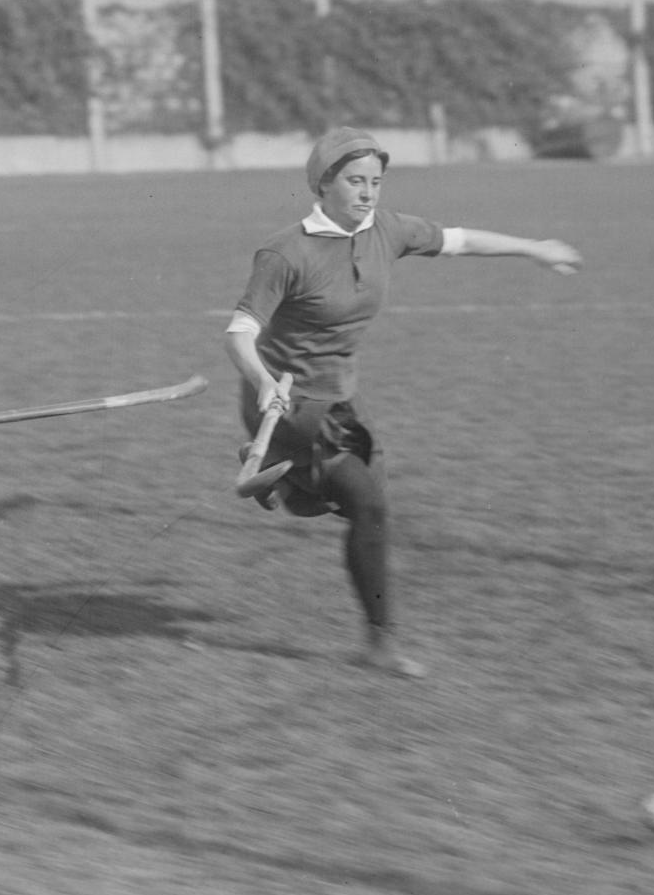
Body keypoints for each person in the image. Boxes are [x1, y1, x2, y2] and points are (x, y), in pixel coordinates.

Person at [224, 126, 581, 679]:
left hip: (340, 398)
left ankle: (286, 483)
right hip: (285, 403)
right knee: (369, 507)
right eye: (354, 181)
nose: (368, 192)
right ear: (322, 184)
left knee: (343, 504)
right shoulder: (284, 252)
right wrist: (263, 378)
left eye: (376, 181)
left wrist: (534, 249)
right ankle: (380, 643)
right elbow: (240, 332)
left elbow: (460, 240)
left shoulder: (387, 230)